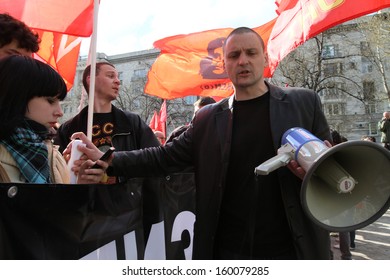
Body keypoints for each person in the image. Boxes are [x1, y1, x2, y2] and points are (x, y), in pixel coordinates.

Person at [68, 27, 332, 260]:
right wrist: (109, 159)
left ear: (264, 57)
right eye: (234, 55)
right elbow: (163, 158)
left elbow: (331, 168)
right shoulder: (207, 119)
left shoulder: (303, 103)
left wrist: (324, 167)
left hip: (294, 249)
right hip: (228, 252)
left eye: (251, 53)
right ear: (224, 64)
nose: (243, 61)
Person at [0, 55, 104, 184]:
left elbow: (61, 203)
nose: (60, 112)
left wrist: (82, 183)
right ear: (18, 97)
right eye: (50, 101)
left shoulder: (51, 152)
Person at [54, 61, 160, 183]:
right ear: (91, 79)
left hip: (122, 199)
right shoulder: (68, 128)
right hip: (85, 200)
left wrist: (118, 172)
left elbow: (155, 160)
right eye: (110, 76)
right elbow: (56, 175)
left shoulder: (131, 122)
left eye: (118, 77)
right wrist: (69, 166)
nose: (118, 81)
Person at [330, 130, 353, 260]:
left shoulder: (327, 153)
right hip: (345, 197)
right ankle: (346, 255)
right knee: (343, 227)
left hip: (332, 197)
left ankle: (329, 256)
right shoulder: (346, 153)